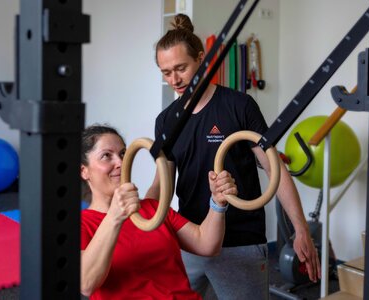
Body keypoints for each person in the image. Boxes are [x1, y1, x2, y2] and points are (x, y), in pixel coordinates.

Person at [147, 14, 321, 299]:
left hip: (240, 243)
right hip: (189, 239)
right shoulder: (166, 121)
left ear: (201, 59)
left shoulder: (239, 106)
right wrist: (139, 218)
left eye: (181, 68)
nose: (174, 79)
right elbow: (160, 185)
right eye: (166, 72)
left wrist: (300, 229)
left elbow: (275, 170)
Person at [80, 125, 238, 299]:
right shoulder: (81, 224)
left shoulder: (152, 207)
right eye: (106, 156)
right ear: (84, 171)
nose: (120, 162)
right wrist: (114, 216)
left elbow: (207, 244)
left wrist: (217, 202)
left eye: (123, 154)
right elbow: (86, 284)